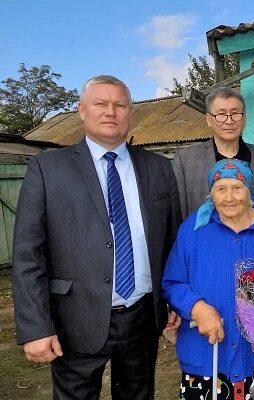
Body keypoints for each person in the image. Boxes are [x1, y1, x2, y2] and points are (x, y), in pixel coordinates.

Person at [11, 75, 182, 399]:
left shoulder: (159, 168)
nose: (110, 112)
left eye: (119, 105)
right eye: (100, 104)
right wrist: (35, 326)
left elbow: (172, 242)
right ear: (81, 110)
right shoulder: (48, 169)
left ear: (130, 112)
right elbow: (27, 253)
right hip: (74, 319)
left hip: (142, 316)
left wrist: (173, 300)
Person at [162, 159, 254, 400]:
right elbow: (173, 282)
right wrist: (196, 307)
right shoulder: (192, 230)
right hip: (204, 358)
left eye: (237, 188)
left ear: (250, 190)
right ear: (211, 194)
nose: (229, 197)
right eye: (221, 189)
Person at [172, 86, 254, 231]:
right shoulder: (185, 160)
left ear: (244, 118)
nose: (229, 121)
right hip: (203, 250)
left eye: (235, 113)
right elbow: (177, 217)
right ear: (208, 119)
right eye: (221, 114)